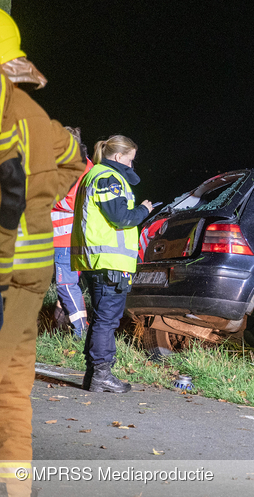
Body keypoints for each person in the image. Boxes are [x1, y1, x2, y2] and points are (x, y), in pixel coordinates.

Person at [0, 9, 86, 497]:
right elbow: (75, 159)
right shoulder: (33, 116)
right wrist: (42, 195)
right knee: (12, 389)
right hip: (28, 267)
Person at [71, 135, 153, 393]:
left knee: (100, 320)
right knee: (107, 321)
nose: (132, 164)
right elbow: (121, 217)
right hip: (110, 263)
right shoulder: (109, 178)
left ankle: (93, 376)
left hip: (96, 260)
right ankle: (102, 375)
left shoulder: (93, 175)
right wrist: (144, 210)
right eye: (130, 159)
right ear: (118, 157)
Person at [51, 127, 93, 338]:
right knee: (68, 286)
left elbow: (70, 200)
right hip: (71, 237)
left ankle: (80, 334)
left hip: (67, 238)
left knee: (66, 285)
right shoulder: (83, 164)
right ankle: (61, 329)